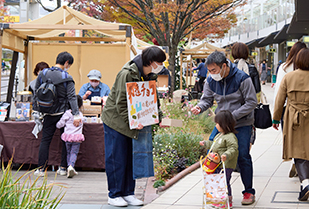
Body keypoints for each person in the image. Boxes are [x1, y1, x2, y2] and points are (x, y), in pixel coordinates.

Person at [102, 46, 166, 207]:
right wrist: (133, 121)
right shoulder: (127, 73)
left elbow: (152, 99)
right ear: (150, 62)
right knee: (117, 158)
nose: (161, 66)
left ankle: (128, 192)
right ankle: (114, 194)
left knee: (131, 157)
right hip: (116, 121)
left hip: (134, 122)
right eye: (159, 63)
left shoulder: (149, 74)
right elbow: (121, 103)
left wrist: (158, 117)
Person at [191, 51, 257, 205]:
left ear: (224, 66)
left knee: (242, 156)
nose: (211, 73)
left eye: (214, 70)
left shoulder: (242, 78)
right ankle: (223, 193)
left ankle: (248, 192)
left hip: (242, 123)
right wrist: (199, 107)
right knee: (213, 155)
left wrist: (232, 116)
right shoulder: (210, 80)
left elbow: (251, 102)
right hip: (222, 125)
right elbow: (206, 99)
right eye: (209, 70)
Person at [33, 51, 81, 177]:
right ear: (66, 63)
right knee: (65, 140)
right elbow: (72, 97)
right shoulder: (67, 77)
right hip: (63, 114)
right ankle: (63, 168)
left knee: (45, 140)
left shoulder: (43, 73)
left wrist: (36, 110)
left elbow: (36, 93)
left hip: (47, 112)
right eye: (69, 64)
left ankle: (41, 169)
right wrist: (76, 114)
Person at [272, 48, 309, 201]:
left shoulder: (288, 77)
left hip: (294, 119)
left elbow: (279, 100)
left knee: (298, 152)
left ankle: (305, 183)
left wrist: (275, 119)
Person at [200, 110, 238, 208]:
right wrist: (206, 143)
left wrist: (226, 155)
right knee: (217, 181)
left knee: (224, 182)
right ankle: (219, 199)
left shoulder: (230, 137)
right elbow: (214, 145)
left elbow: (233, 148)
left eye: (217, 123)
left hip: (226, 164)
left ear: (224, 124)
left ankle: (227, 201)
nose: (216, 126)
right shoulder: (219, 135)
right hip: (217, 164)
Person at [232, 42, 260, 149]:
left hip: (231, 109)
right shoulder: (252, 68)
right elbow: (257, 90)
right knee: (246, 142)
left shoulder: (228, 68)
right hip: (248, 111)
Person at [56, 95, 84, 178]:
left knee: (68, 152)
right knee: (74, 152)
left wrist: (57, 125)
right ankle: (71, 166)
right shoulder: (80, 115)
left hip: (67, 137)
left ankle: (69, 166)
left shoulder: (67, 114)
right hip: (77, 137)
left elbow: (60, 124)